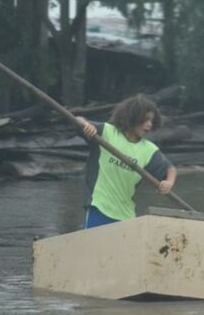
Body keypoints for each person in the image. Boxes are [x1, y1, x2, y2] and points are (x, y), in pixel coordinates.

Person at [75, 94, 177, 229]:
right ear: (133, 116)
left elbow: (170, 168)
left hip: (126, 216)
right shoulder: (107, 132)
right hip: (98, 208)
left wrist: (169, 182)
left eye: (151, 121)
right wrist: (86, 124)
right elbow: (77, 119)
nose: (149, 124)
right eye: (146, 119)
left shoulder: (149, 150)